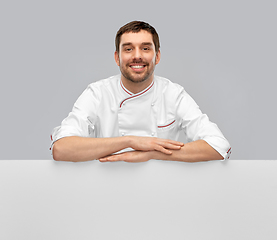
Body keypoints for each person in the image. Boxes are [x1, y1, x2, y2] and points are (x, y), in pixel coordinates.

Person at [51, 21, 231, 163]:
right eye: (128, 49)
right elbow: (61, 148)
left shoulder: (172, 94)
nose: (137, 56)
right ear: (117, 57)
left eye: (145, 48)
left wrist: (152, 153)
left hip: (163, 190)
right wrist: (129, 141)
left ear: (157, 56)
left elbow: (219, 146)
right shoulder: (97, 93)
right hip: (107, 189)